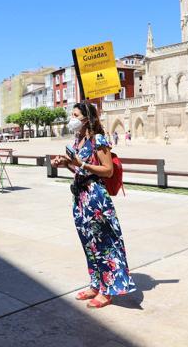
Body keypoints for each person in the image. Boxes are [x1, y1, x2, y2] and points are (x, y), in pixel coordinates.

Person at [52, 102, 135, 309]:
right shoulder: (78, 140)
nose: (71, 118)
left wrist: (82, 164)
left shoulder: (98, 139)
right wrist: (65, 163)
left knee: (104, 245)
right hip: (80, 198)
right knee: (89, 245)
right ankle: (96, 284)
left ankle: (108, 291)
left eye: (75, 115)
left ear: (86, 119)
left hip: (95, 198)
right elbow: (81, 169)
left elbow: (107, 170)